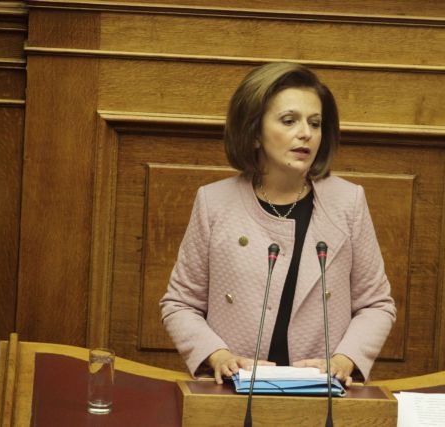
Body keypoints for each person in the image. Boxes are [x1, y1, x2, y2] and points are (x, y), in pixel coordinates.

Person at [160, 62, 396, 387]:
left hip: (321, 393)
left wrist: (344, 360)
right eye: (289, 120)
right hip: (235, 391)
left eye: (315, 123)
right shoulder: (214, 202)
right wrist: (218, 356)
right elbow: (180, 303)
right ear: (255, 133)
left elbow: (376, 304)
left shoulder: (347, 202)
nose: (306, 133)